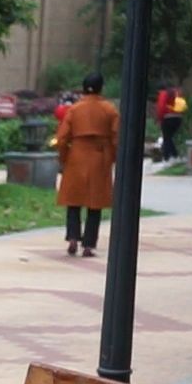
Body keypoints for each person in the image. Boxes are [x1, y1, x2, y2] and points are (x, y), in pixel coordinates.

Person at [55, 72, 119, 259]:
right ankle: (89, 245)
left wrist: (64, 157)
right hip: (100, 155)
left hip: (77, 155)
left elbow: (62, 138)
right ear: (101, 88)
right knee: (95, 203)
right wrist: (111, 159)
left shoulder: (74, 110)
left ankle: (73, 237)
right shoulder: (110, 110)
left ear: (83, 88)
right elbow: (117, 138)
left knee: (73, 201)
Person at [160, 86, 187, 162]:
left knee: (166, 137)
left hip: (167, 118)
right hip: (178, 118)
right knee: (169, 137)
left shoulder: (164, 94)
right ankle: (172, 155)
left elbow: (161, 107)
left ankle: (168, 156)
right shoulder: (177, 94)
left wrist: (160, 118)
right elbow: (183, 107)